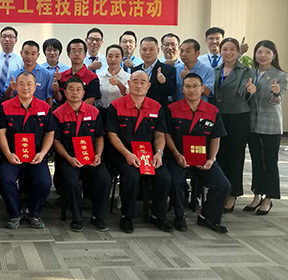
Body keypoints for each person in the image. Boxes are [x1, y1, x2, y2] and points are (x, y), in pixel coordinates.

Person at [165, 73, 231, 233]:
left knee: (223, 185)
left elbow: (215, 137)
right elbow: (167, 135)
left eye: (195, 86)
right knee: (176, 181)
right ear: (182, 89)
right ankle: (179, 217)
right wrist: (176, 155)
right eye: (187, 86)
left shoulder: (212, 111)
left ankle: (208, 217)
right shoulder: (172, 109)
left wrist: (211, 159)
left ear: (202, 89)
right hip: (178, 157)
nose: (191, 90)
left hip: (203, 158)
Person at [106, 71, 171, 233]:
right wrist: (127, 154)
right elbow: (112, 135)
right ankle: (127, 216)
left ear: (148, 86)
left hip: (149, 154)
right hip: (123, 153)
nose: (139, 85)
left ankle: (158, 215)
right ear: (129, 83)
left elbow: (159, 134)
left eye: (143, 82)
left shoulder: (156, 107)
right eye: (135, 81)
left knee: (164, 177)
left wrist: (159, 153)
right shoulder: (116, 106)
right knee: (132, 176)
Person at [0, 71, 56, 229]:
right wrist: (8, 154)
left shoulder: (44, 107)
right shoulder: (5, 107)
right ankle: (14, 213)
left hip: (36, 155)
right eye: (21, 84)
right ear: (15, 86)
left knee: (44, 182)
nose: (25, 87)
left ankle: (32, 212)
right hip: (12, 155)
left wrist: (42, 154)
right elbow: (0, 132)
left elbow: (50, 133)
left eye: (29, 84)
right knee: (5, 180)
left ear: (35, 87)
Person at [53, 77, 111, 232]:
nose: (75, 92)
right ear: (65, 92)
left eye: (78, 89)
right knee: (72, 182)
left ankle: (98, 216)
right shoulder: (57, 113)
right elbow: (56, 141)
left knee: (104, 179)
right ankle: (77, 217)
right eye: (71, 89)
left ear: (83, 93)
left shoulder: (94, 112)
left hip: (90, 157)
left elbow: (99, 136)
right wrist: (68, 158)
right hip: (68, 157)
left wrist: (98, 154)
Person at [244, 40, 287, 215]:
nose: (263, 56)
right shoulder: (250, 73)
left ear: (274, 55)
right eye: (259, 52)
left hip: (270, 125)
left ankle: (268, 198)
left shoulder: (280, 75)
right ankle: (257, 195)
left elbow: (276, 100)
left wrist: (276, 93)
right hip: (252, 124)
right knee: (256, 161)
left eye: (267, 52)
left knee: (270, 162)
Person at [212, 37, 253, 213]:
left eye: (232, 49)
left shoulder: (245, 70)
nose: (228, 53)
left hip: (238, 118)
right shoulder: (216, 69)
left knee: (235, 158)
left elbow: (244, 90)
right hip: (219, 116)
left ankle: (232, 194)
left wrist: (249, 91)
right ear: (220, 51)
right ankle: (222, 190)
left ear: (238, 52)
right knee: (220, 156)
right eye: (225, 49)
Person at [4, 40, 54, 107]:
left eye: (33, 54)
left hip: (38, 111)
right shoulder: (14, 74)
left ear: (38, 55)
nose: (29, 57)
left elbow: (49, 99)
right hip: (17, 110)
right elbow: (6, 97)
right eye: (26, 53)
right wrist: (9, 89)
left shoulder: (47, 75)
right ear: (21, 53)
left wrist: (48, 113)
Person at [131, 37, 176, 107]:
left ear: (158, 50)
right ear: (140, 51)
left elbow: (171, 92)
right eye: (144, 49)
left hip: (158, 109)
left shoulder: (168, 69)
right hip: (138, 108)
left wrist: (164, 82)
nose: (147, 52)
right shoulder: (135, 70)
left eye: (151, 49)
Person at [55, 39, 100, 106]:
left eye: (80, 51)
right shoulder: (61, 76)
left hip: (84, 111)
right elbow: (60, 99)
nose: (77, 54)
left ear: (85, 55)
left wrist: (76, 110)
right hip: (64, 111)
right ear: (68, 55)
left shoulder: (92, 77)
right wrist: (56, 91)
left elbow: (91, 100)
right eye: (73, 51)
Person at [0, 26, 24, 97]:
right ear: (0, 39)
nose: (7, 39)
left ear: (16, 40)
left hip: (12, 99)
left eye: (10, 37)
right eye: (4, 36)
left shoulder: (21, 60)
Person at [96, 44, 129, 119]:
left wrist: (118, 83)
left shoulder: (129, 77)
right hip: (102, 113)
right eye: (110, 56)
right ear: (106, 58)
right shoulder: (98, 76)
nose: (113, 59)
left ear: (122, 58)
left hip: (121, 113)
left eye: (117, 56)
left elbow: (127, 94)